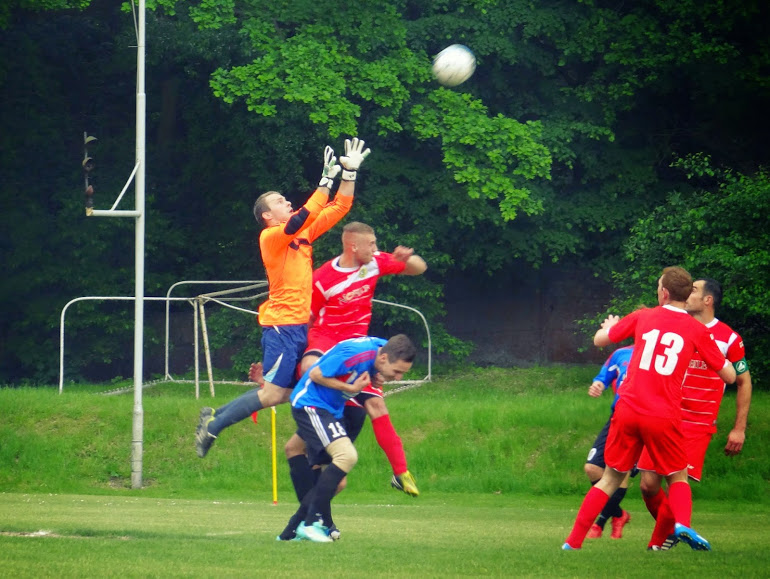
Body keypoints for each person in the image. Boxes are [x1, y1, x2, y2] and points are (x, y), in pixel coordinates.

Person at [195, 138, 371, 458]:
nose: (286, 201)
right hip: (282, 326)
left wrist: (349, 174)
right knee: (276, 392)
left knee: (291, 392)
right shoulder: (272, 236)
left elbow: (339, 207)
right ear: (267, 215)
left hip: (300, 326)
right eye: (279, 200)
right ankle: (214, 425)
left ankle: (215, 419)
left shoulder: (300, 233)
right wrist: (324, 182)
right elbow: (300, 218)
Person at [562, 266, 736, 552]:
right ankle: (682, 525)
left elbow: (600, 340)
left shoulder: (644, 316)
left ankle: (572, 542)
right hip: (662, 414)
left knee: (608, 479)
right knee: (677, 475)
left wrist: (606, 328)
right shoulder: (697, 330)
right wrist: (718, 360)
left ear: (664, 293)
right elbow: (729, 376)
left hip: (628, 409)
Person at [283, 221, 427, 498]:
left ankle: (400, 473)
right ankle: (298, 406)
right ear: (353, 246)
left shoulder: (376, 262)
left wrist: (408, 258)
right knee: (309, 370)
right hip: (326, 341)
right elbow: (305, 321)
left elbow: (419, 269)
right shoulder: (322, 278)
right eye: (371, 243)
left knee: (375, 404)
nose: (376, 248)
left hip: (358, 348)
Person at [637, 277, 753, 550]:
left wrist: (739, 428)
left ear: (707, 300)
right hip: (664, 417)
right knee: (647, 485)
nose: (687, 294)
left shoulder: (729, 338)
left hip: (697, 423)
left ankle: (657, 544)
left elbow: (743, 381)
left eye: (694, 291)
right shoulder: (677, 327)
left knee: (677, 480)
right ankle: (678, 528)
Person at [278, 334, 417, 543]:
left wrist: (376, 373)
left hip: (330, 410)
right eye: (397, 372)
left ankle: (291, 531)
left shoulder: (382, 349)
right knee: (346, 457)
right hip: (311, 406)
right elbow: (315, 374)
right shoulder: (354, 355)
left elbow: (372, 363)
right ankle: (309, 524)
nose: (398, 378)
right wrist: (351, 389)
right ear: (383, 358)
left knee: (300, 453)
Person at [583, 345, 634, 540]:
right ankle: (619, 515)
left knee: (623, 471)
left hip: (647, 417)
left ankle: (600, 523)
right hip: (618, 416)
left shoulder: (663, 352)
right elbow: (605, 375)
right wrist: (598, 384)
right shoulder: (622, 353)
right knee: (592, 468)